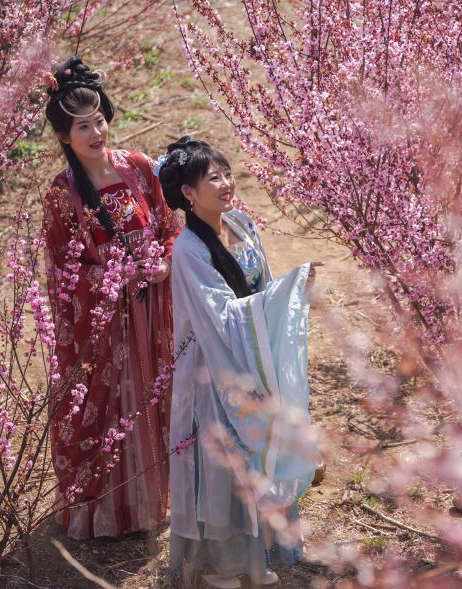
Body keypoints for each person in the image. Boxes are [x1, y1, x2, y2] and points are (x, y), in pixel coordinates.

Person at [158, 137, 320, 588]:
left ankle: (257, 555)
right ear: (188, 193)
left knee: (257, 452)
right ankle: (221, 564)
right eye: (214, 178)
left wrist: (286, 295)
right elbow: (222, 316)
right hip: (213, 366)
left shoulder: (242, 224)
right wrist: (286, 291)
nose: (227, 183)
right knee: (224, 459)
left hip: (252, 354)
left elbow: (261, 287)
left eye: (227, 173)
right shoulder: (188, 249)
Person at [42, 57, 179, 539]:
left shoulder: (138, 167)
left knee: (155, 394)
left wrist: (165, 261)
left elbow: (169, 224)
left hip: (152, 308)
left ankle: (152, 500)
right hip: (105, 322)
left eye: (99, 120)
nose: (96, 132)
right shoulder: (63, 194)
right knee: (109, 407)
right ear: (65, 137)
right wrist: (112, 278)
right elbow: (62, 268)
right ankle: (106, 511)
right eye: (83, 126)